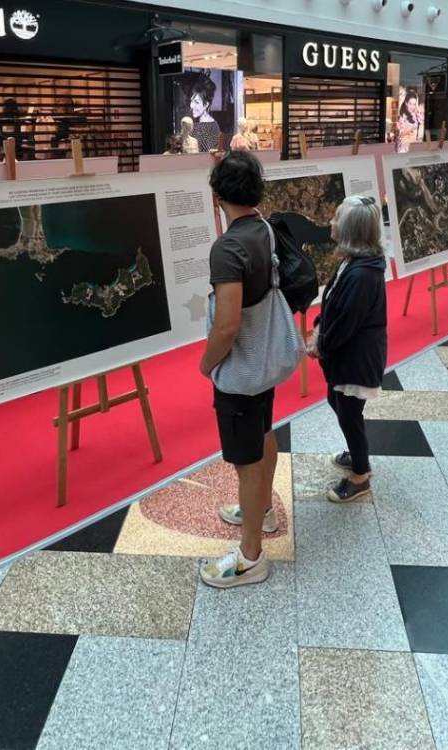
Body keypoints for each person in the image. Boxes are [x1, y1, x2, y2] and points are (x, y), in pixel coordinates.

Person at [201, 151, 280, 589]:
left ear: (217, 197)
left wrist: (206, 363)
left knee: (246, 458)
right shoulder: (264, 229)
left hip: (240, 368)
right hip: (266, 358)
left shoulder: (228, 248)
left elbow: (227, 323)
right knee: (264, 430)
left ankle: (250, 557)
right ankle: (261, 510)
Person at [307, 195, 387, 503]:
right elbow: (334, 307)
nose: (331, 222)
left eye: (337, 218)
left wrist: (320, 343)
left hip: (356, 358)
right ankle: (358, 452)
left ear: (350, 230)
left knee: (348, 413)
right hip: (349, 354)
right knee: (340, 404)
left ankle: (360, 475)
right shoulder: (355, 263)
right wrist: (319, 326)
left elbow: (345, 323)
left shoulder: (362, 273)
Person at [182, 73, 223, 151]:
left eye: (196, 102)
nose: (191, 105)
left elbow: (207, 154)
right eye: (192, 101)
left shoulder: (206, 128)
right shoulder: (207, 124)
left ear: (206, 105)